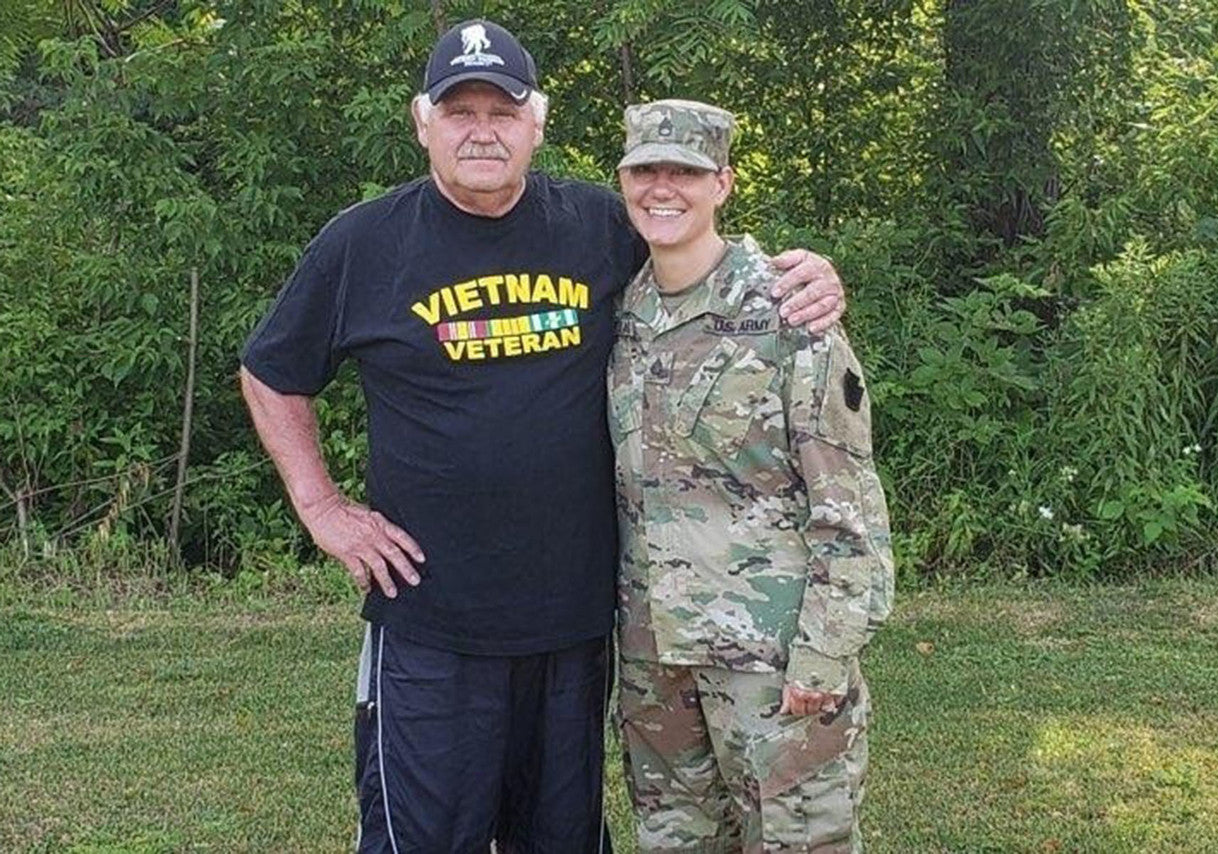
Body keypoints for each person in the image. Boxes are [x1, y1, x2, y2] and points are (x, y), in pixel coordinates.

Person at [239, 20, 846, 854]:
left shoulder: (599, 226)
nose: (481, 130)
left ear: (538, 121)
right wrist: (320, 504)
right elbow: (272, 370)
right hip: (431, 622)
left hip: (576, 623)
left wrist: (800, 274)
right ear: (423, 122)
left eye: (503, 109)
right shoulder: (365, 243)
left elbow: (696, 251)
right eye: (460, 111)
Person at [608, 99, 894, 853]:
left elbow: (850, 506)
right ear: (623, 180)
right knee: (674, 839)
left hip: (770, 659)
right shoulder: (624, 312)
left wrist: (826, 654)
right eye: (646, 170)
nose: (663, 188)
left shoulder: (786, 311)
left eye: (687, 173)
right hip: (655, 661)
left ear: (724, 183)